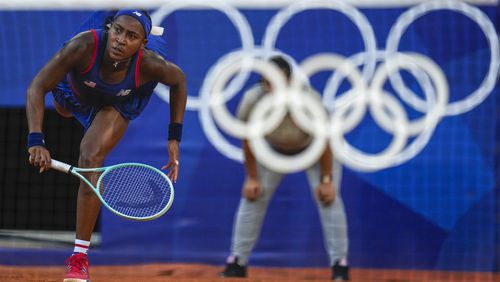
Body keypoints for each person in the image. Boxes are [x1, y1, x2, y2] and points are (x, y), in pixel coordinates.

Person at [26, 9, 187, 282]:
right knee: (63, 110)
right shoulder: (83, 46)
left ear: (142, 45)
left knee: (90, 158)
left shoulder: (150, 64)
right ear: (109, 29)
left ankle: (79, 259)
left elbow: (179, 81)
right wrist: (36, 139)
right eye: (118, 31)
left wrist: (174, 138)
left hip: (119, 100)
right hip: (77, 89)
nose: (121, 40)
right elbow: (37, 87)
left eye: (132, 36)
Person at [220, 56, 350, 281]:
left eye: (278, 82)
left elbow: (325, 140)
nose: (272, 87)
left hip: (313, 150)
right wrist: (252, 178)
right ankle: (237, 262)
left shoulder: (308, 99)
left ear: (289, 81)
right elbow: (248, 139)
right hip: (273, 152)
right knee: (252, 196)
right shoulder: (253, 99)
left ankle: (340, 264)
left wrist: (327, 180)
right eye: (267, 82)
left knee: (329, 199)